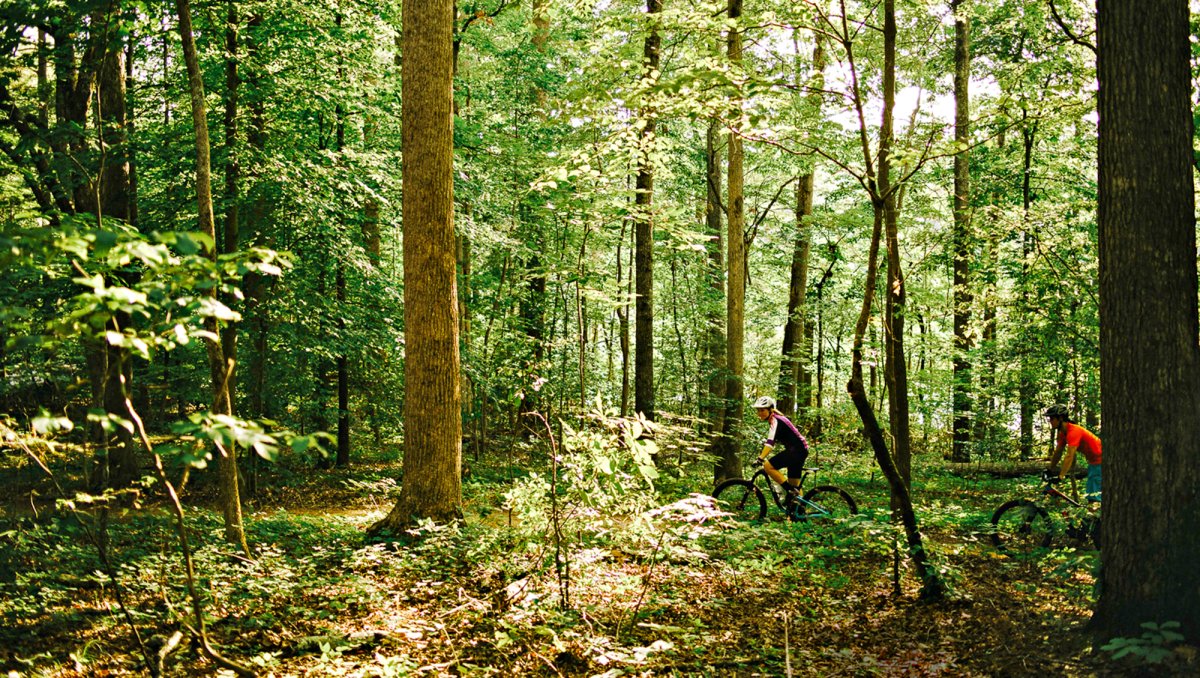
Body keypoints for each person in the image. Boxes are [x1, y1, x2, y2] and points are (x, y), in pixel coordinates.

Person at [752, 396, 810, 502]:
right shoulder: (777, 419)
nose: (759, 413)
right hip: (800, 450)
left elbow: (770, 443)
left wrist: (760, 458)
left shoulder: (776, 420)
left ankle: (789, 490)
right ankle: (800, 510)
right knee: (795, 484)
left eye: (762, 410)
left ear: (770, 410)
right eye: (758, 410)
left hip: (796, 451)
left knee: (767, 466)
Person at [1044, 404, 1102, 502]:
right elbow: (1058, 452)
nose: (1050, 421)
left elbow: (1069, 455)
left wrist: (1061, 476)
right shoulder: (1063, 433)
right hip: (1094, 461)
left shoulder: (1073, 431)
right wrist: (1050, 469)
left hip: (1101, 460)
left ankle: (1095, 516)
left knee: (1093, 497)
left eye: (1052, 418)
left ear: (1061, 418)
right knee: (1092, 493)